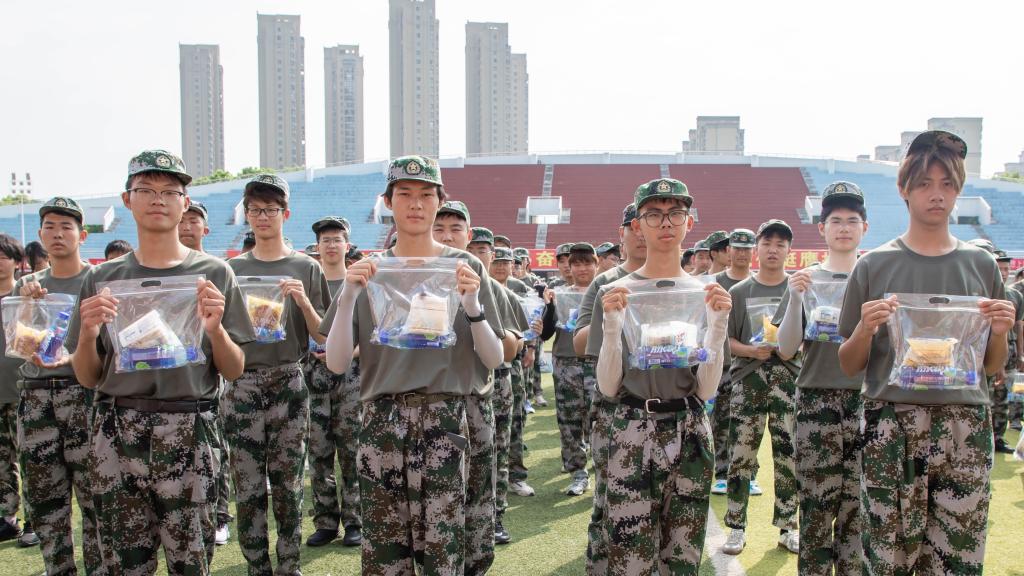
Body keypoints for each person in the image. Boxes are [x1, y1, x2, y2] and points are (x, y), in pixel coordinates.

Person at [837, 130, 1015, 575]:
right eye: (924, 184)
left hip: (965, 424)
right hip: (892, 423)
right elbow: (849, 363)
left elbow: (991, 367)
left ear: (958, 189)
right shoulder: (874, 264)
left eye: (947, 184)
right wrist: (865, 328)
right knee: (889, 557)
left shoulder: (980, 265)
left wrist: (999, 332)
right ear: (904, 189)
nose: (937, 195)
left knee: (958, 559)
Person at [69, 149, 252, 574]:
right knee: (123, 562)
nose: (158, 199)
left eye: (170, 191)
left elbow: (235, 368)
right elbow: (88, 376)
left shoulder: (214, 273)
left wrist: (215, 331)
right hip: (118, 427)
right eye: (146, 189)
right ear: (127, 199)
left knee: (192, 562)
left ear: (184, 203)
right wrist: (88, 333)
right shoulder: (102, 277)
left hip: (190, 425)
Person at [322, 155, 505, 575]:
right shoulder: (370, 270)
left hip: (447, 417)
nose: (416, 204)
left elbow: (495, 358)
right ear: (388, 201)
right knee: (386, 554)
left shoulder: (464, 267)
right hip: (383, 420)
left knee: (446, 552)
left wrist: (473, 306)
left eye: (426, 195)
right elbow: (336, 362)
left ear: (440, 201)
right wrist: (348, 297)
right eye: (404, 194)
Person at [589, 177, 731, 573]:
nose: (666, 222)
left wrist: (718, 327)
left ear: (690, 222)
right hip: (633, 425)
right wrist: (613, 328)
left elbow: (706, 389)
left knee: (683, 558)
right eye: (654, 214)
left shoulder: (705, 293)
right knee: (630, 556)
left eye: (675, 213)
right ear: (637, 225)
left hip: (689, 426)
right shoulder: (616, 291)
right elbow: (608, 385)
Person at [225, 173, 330, 576]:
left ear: (285, 214)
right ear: (247, 215)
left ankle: (289, 564)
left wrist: (302, 302)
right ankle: (257, 566)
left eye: (270, 209)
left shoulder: (306, 267)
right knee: (248, 486)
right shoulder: (231, 269)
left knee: (288, 483)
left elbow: (323, 334)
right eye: (255, 210)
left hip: (288, 379)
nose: (263, 217)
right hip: (242, 382)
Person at [775, 181, 868, 575]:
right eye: (836, 220)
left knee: (858, 509)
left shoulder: (875, 277)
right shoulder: (805, 279)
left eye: (852, 220)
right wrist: (796, 297)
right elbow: (785, 348)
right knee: (815, 506)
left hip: (866, 400)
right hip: (816, 400)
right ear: (822, 228)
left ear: (864, 227)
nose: (844, 228)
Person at [14, 198, 100, 573]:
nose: (57, 233)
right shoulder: (27, 286)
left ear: (82, 235)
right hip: (36, 398)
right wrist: (26, 306)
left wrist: (72, 358)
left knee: (96, 498)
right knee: (46, 500)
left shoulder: (98, 280)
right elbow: (19, 345)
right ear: (40, 234)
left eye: (66, 226)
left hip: (85, 394)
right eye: (50, 226)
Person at [572, 201, 646, 574]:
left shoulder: (676, 282)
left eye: (647, 224)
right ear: (623, 234)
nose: (642, 233)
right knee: (608, 499)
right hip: (616, 405)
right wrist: (610, 316)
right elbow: (580, 342)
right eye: (634, 226)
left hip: (664, 403)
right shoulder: (606, 282)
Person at [722, 219, 800, 556]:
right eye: (767, 243)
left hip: (788, 378)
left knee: (788, 456)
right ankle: (736, 528)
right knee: (741, 456)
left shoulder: (797, 289)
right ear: (758, 248)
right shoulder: (739, 292)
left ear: (789, 251)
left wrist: (790, 347)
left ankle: (788, 527)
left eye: (780, 244)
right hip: (748, 379)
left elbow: (808, 337)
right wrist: (752, 351)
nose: (773, 250)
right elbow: (726, 340)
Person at [303, 216, 363, 549]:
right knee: (318, 451)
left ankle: (355, 520)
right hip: (313, 376)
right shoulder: (308, 282)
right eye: (325, 240)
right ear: (317, 246)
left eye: (337, 239)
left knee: (352, 450)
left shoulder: (358, 282)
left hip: (351, 375)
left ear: (347, 245)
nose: (330, 245)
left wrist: (348, 352)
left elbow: (371, 332)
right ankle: (325, 522)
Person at [541, 242, 598, 496]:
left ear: (596, 265)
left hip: (597, 362)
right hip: (566, 363)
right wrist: (549, 308)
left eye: (587, 263)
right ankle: (578, 473)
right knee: (569, 420)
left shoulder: (605, 294)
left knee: (600, 419)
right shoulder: (559, 295)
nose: (582, 268)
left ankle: (603, 468)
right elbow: (546, 334)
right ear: (569, 267)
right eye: (577, 263)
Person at [710, 228, 757, 496]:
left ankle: (749, 474)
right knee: (721, 420)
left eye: (746, 248)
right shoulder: (715, 282)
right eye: (737, 248)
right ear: (728, 251)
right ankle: (721, 473)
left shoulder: (757, 282)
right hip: (720, 363)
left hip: (750, 363)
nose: (741, 253)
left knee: (748, 422)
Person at [0, 234, 30, 546]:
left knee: (29, 458)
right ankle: (8, 517)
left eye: (3, 257)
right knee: (1, 461)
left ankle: (34, 519)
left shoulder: (26, 297)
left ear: (16, 261)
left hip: (22, 390)